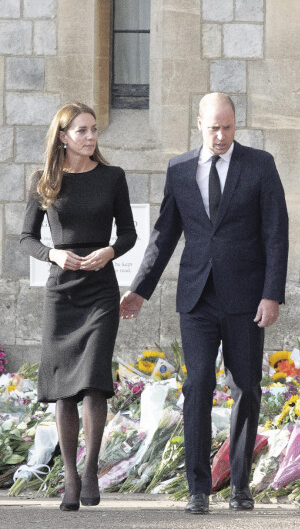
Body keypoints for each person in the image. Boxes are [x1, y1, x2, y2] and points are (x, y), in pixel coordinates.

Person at [119, 93, 289, 515]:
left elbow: (276, 232)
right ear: (199, 124)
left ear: (236, 125)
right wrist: (140, 289)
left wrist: (272, 294)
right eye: (214, 127)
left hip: (246, 298)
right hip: (196, 297)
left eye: (228, 127)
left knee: (245, 387)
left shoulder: (259, 165)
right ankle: (197, 487)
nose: (221, 136)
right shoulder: (179, 168)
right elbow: (164, 234)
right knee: (197, 386)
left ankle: (239, 485)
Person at [20, 103, 137, 512]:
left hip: (101, 290)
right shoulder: (44, 180)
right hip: (62, 291)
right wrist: (53, 256)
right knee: (64, 390)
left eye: (94, 131)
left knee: (92, 379)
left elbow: (129, 234)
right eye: (82, 131)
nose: (90, 137)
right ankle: (70, 475)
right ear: (63, 136)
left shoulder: (112, 177)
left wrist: (109, 251)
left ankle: (91, 470)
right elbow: (27, 237)